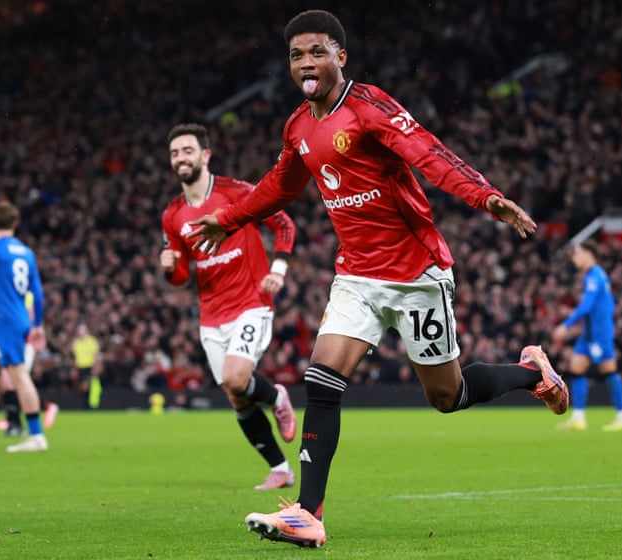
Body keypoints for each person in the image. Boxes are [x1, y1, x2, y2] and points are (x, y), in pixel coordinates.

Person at [187, 10, 569, 548]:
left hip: (416, 272)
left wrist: (485, 196)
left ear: (340, 56)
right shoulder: (298, 126)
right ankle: (308, 513)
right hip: (357, 275)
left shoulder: (368, 107)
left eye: (317, 52)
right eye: (296, 55)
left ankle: (532, 374)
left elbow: (428, 153)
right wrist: (227, 219)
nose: (306, 63)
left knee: (448, 395)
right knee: (321, 379)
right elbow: (279, 185)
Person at [161, 122, 298, 490]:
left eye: (187, 150)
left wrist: (278, 270)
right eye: (174, 153)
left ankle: (277, 396)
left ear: (205, 155)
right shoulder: (172, 214)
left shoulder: (236, 191)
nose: (180, 158)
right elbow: (182, 276)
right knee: (236, 395)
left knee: (237, 379)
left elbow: (283, 224)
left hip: (251, 301)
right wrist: (171, 268)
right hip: (211, 314)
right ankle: (281, 469)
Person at [0, 200, 48, 452]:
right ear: (15, 223)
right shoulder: (26, 252)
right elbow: (37, 293)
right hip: (18, 318)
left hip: (5, 321)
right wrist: (37, 323)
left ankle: (37, 436)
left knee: (19, 376)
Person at [551, 240, 622, 431]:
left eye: (578, 253)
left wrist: (565, 325)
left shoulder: (596, 276)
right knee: (576, 368)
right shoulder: (590, 276)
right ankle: (578, 418)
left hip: (600, 334)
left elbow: (586, 306)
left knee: (609, 371)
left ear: (589, 254)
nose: (574, 258)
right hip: (588, 333)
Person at [71, 322, 102, 409]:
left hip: (89, 366)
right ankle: (87, 404)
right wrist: (75, 369)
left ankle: (88, 404)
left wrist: (96, 366)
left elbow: (96, 355)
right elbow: (75, 357)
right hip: (80, 367)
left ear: (86, 330)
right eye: (78, 330)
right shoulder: (76, 342)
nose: (79, 332)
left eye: (81, 330)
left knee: (87, 385)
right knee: (82, 387)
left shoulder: (92, 341)